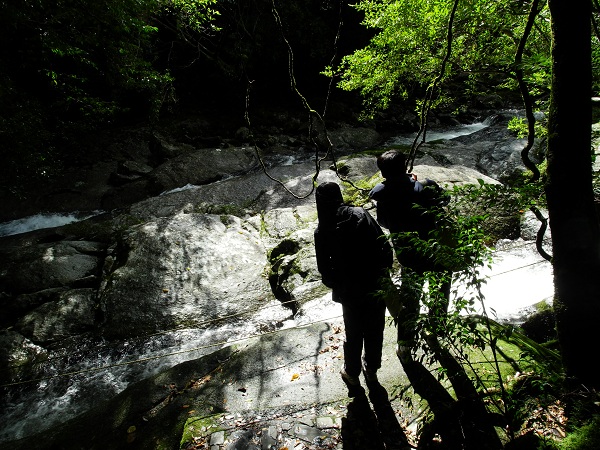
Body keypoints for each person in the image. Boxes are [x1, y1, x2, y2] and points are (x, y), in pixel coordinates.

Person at [313, 182, 393, 395]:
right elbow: (383, 245)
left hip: (349, 291)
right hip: (375, 283)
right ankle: (372, 369)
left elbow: (324, 270)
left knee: (354, 332)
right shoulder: (360, 214)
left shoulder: (322, 230)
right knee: (375, 329)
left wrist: (337, 284)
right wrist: (384, 272)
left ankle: (352, 373)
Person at [369, 150, 451, 356]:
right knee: (440, 291)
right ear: (405, 167)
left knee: (410, 300)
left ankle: (405, 345)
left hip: (408, 254)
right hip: (434, 250)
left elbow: (383, 222)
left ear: (383, 173)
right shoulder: (426, 187)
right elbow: (445, 200)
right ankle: (437, 332)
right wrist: (415, 183)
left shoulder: (382, 194)